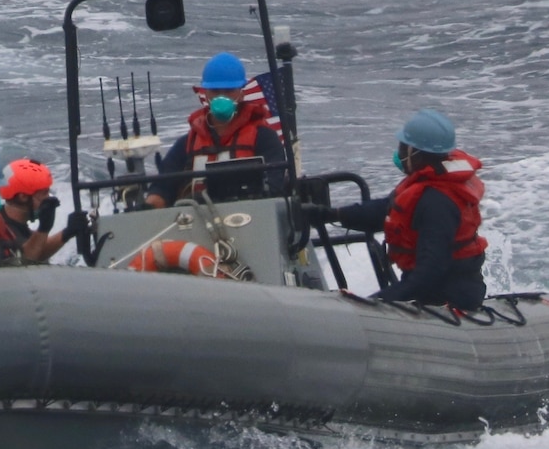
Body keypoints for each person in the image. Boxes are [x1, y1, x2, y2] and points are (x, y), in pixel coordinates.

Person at [311, 109, 488, 310]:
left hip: (448, 295)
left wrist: (377, 301)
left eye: (404, 148)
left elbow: (430, 271)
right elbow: (387, 211)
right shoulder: (426, 187)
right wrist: (333, 215)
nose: (400, 154)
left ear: (417, 153)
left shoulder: (436, 203)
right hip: (432, 290)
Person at [146, 51, 288, 208]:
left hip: (251, 218)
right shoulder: (187, 143)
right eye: (215, 91)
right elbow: (162, 187)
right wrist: (151, 203)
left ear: (241, 93)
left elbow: (276, 187)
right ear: (206, 94)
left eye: (228, 91)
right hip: (195, 220)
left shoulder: (264, 138)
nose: (222, 97)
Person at [0, 157, 90, 263]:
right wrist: (44, 228)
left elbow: (38, 248)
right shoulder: (0, 229)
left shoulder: (12, 221)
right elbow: (25, 260)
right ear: (23, 197)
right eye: (44, 193)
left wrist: (68, 232)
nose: (48, 198)